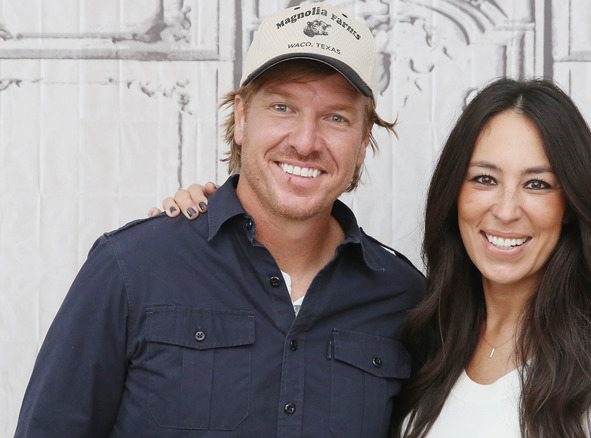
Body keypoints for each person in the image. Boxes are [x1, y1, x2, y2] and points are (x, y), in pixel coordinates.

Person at [163, 78, 591, 437]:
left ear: (570, 206)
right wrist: (213, 219)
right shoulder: (430, 327)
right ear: (456, 196)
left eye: (538, 184)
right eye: (485, 180)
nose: (507, 209)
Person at [14, 3, 424, 437]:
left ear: (362, 143)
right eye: (283, 108)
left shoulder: (406, 300)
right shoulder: (133, 267)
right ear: (243, 118)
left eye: (335, 118)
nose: (305, 142)